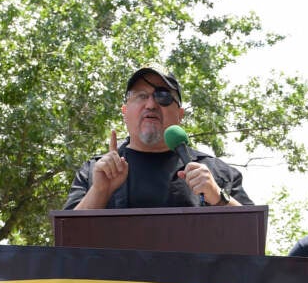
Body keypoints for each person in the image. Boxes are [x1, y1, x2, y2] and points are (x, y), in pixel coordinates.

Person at [63, 65, 253, 209]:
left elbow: (251, 238)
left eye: (163, 96)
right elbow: (66, 241)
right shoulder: (95, 171)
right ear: (125, 111)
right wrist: (99, 191)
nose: (151, 104)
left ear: (180, 114)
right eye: (140, 96)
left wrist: (217, 197)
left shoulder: (216, 174)